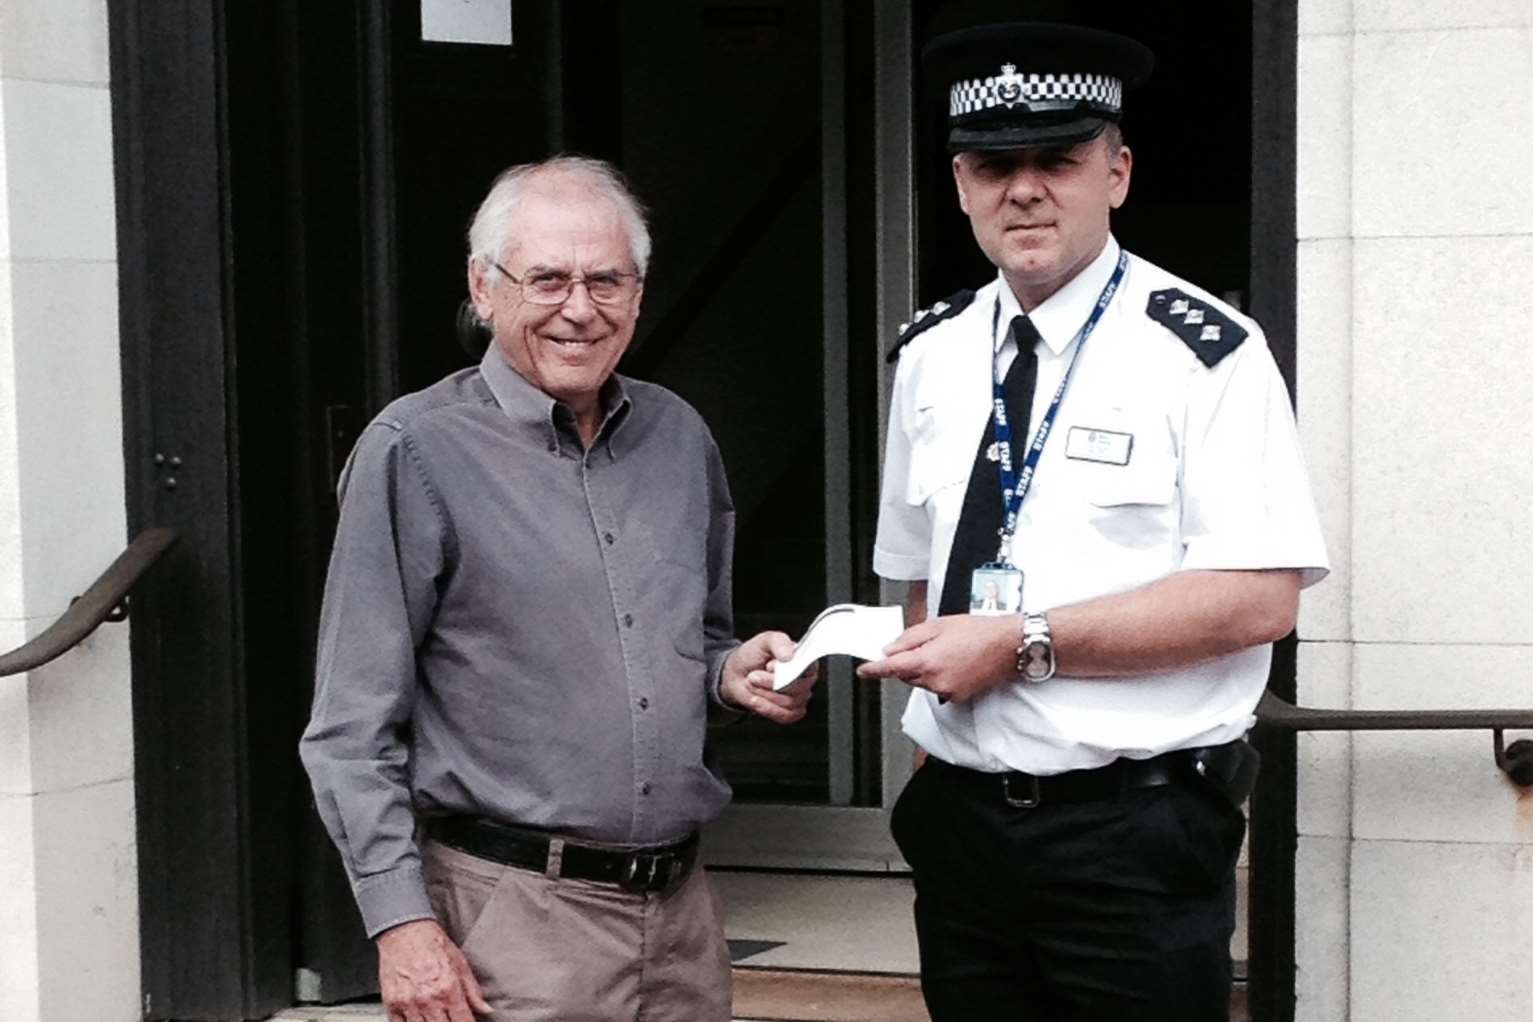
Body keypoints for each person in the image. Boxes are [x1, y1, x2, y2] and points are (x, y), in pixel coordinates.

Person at [856, 22, 1329, 1022]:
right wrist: (932, 767)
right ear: (959, 184)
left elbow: (1260, 596)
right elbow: (916, 579)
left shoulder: (1205, 351)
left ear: (1116, 172)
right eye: (994, 165)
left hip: (1131, 832)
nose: (1023, 189)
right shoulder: (931, 354)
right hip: (964, 828)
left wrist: (1026, 641)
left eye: (1057, 161)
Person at [300, 155, 815, 1022]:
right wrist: (401, 928)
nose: (580, 308)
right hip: (507, 923)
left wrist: (729, 676)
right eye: (547, 279)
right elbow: (351, 730)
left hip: (682, 917)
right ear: (484, 285)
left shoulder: (678, 438)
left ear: (640, 293)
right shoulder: (416, 452)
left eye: (606, 280)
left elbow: (692, 645)